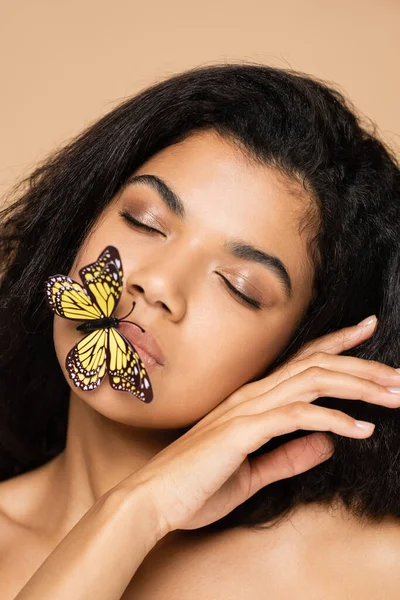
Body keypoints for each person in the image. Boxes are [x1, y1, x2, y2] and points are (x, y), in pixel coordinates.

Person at [0, 62, 399, 599]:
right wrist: (137, 509)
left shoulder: (364, 567)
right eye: (144, 220)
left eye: (239, 286)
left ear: (298, 350)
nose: (158, 284)